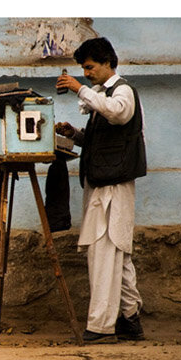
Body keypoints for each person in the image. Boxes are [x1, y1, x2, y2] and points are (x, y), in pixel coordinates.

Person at [55, 37, 147, 344]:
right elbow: (106, 135)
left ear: (108, 62)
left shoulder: (122, 92)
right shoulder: (101, 95)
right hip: (103, 182)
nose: (86, 73)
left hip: (114, 186)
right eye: (83, 68)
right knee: (117, 254)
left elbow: (118, 114)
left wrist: (78, 89)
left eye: (90, 67)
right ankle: (130, 318)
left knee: (105, 253)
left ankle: (100, 326)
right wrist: (76, 135)